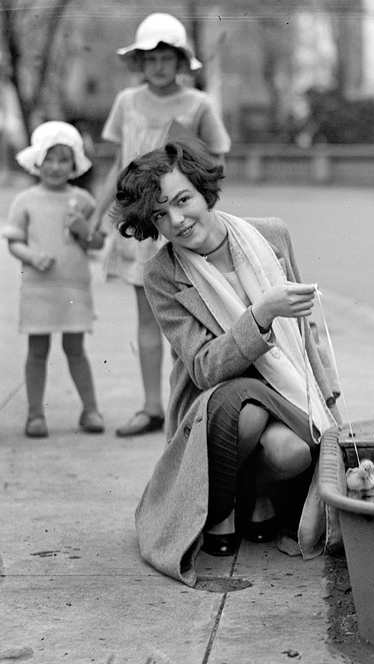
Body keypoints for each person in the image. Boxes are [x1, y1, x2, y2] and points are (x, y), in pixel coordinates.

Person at [111, 140, 341, 585]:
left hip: (285, 392)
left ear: (203, 191)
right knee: (244, 406)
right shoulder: (162, 272)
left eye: (183, 200)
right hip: (213, 403)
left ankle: (253, 495)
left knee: (290, 452)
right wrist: (260, 315)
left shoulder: (270, 234)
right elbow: (203, 368)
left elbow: (305, 329)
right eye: (160, 215)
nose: (177, 220)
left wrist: (330, 392)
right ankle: (222, 507)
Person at [89, 12, 231, 437]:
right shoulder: (127, 102)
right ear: (138, 62)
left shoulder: (198, 104)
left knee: (188, 318)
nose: (158, 65)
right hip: (141, 227)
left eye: (167, 56)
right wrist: (98, 215)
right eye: (149, 57)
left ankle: (186, 408)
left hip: (181, 226)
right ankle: (152, 406)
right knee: (147, 319)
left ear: (182, 60)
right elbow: (118, 165)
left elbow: (216, 161)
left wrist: (199, 207)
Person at [3, 121, 106, 438]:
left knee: (76, 349)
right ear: (37, 162)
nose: (56, 167)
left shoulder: (84, 201)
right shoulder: (25, 200)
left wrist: (83, 230)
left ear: (75, 164)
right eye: (49, 159)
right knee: (37, 350)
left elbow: (98, 242)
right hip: (39, 288)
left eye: (64, 160)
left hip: (73, 288)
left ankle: (90, 410)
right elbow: (14, 241)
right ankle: (35, 415)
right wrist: (32, 256)